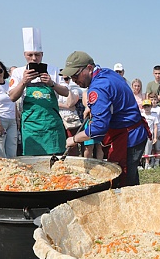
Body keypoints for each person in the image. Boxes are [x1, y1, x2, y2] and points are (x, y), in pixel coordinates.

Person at [62, 51, 148, 187]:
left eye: (76, 75)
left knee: (123, 182)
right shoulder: (105, 73)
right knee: (130, 177)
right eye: (71, 76)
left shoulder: (98, 87)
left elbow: (99, 127)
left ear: (89, 68)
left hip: (128, 137)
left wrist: (74, 139)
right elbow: (113, 96)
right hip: (133, 132)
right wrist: (94, 108)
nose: (74, 80)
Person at [8, 27, 69, 155]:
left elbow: (66, 92)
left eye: (37, 55)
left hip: (52, 124)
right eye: (30, 55)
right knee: (32, 163)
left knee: (56, 160)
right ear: (24, 55)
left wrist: (52, 84)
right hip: (31, 125)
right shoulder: (18, 73)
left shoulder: (53, 70)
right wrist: (24, 82)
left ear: (42, 55)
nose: (34, 58)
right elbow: (12, 97)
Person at [140, 99, 159, 170]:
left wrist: (155, 137)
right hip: (142, 136)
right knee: (141, 150)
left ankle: (147, 164)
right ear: (143, 108)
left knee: (148, 150)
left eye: (148, 106)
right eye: (145, 107)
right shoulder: (141, 115)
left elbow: (155, 127)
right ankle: (140, 164)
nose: (146, 108)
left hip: (150, 136)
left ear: (151, 107)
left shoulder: (154, 116)